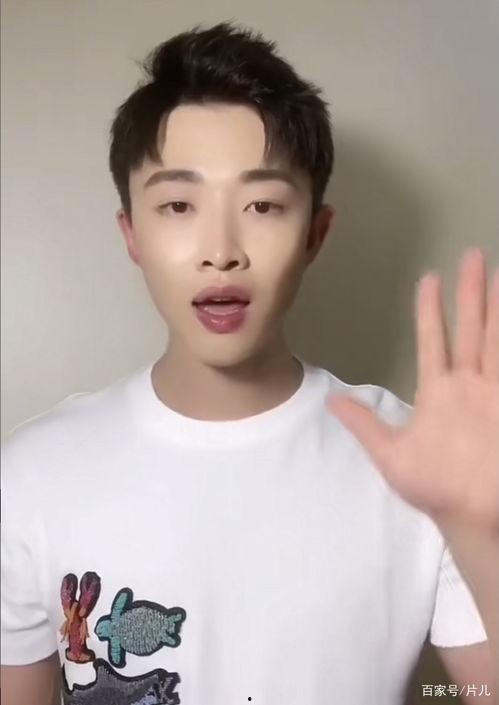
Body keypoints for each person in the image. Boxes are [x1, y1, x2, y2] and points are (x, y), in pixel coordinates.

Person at [1, 20, 497, 705]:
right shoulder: (32, 474)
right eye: (178, 205)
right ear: (132, 234)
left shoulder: (418, 463)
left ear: (315, 234)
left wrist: (480, 534)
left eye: (263, 204)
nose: (221, 251)